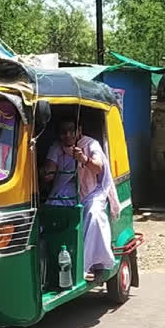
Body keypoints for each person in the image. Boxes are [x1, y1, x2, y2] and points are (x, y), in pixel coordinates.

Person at [43, 116, 119, 280]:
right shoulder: (57, 147)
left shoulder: (90, 144)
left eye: (72, 130)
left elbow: (98, 168)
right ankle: (49, 262)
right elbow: (50, 169)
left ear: (79, 131)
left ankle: (89, 263)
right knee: (52, 210)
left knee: (94, 215)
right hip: (67, 189)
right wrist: (47, 172)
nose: (68, 135)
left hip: (92, 189)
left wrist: (83, 159)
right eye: (64, 132)